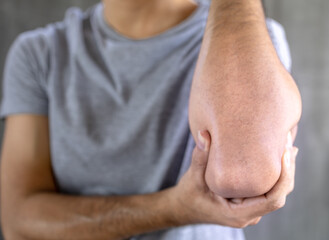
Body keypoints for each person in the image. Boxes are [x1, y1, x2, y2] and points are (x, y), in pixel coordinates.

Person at [0, 0, 301, 239]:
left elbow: (244, 178)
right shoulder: (40, 55)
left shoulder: (249, 36)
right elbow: (19, 223)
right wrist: (173, 209)